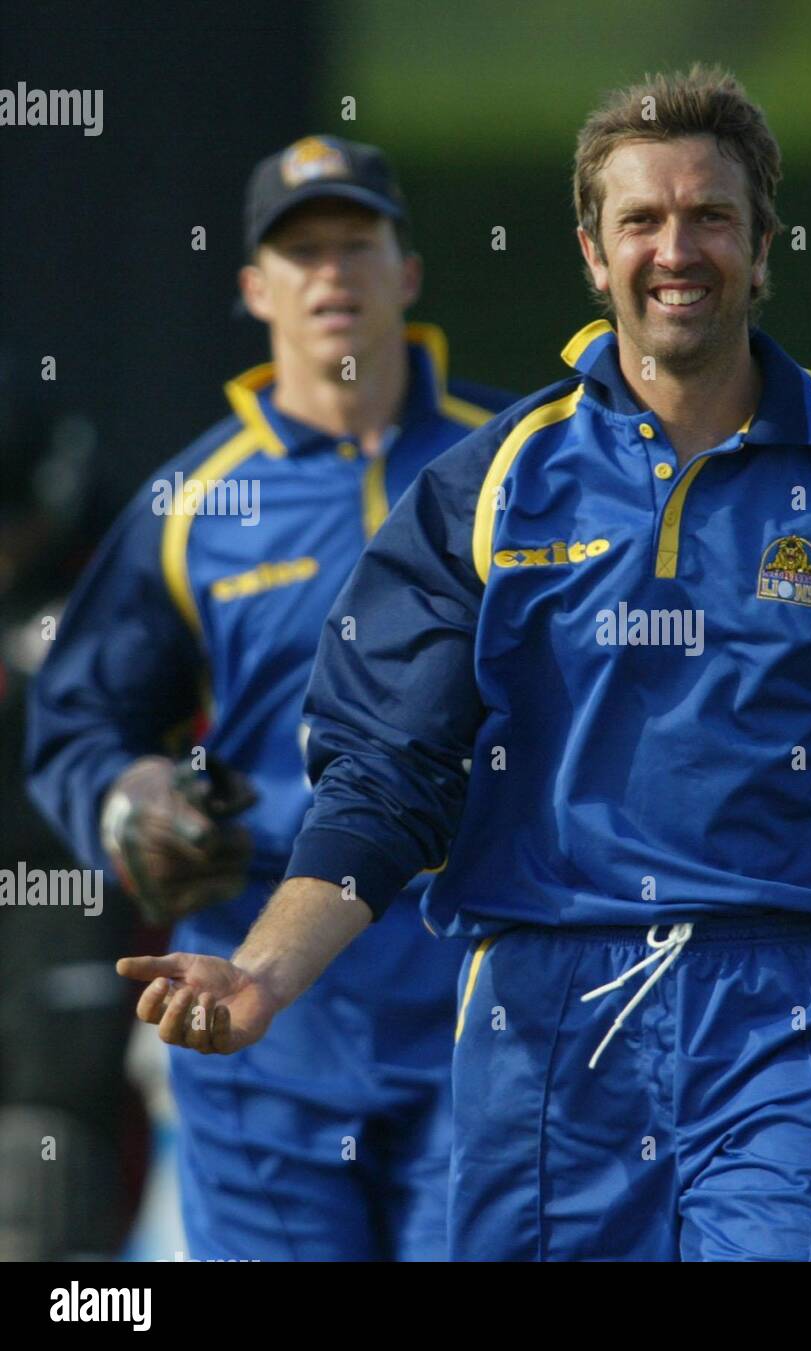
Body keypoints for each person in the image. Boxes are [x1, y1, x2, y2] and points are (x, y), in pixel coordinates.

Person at [116, 73, 811, 1262]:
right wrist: (263, 978)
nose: (674, 249)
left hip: (794, 1009)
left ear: (761, 247)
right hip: (544, 1018)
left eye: (708, 217)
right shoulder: (487, 488)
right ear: (592, 252)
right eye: (640, 220)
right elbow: (385, 782)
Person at [27, 134, 514, 1260]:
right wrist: (128, 800)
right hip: (259, 999)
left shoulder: (518, 467)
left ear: (408, 272)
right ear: (254, 287)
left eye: (357, 244)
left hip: (482, 990)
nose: (330, 273)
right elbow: (77, 722)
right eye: (300, 253)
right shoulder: (192, 502)